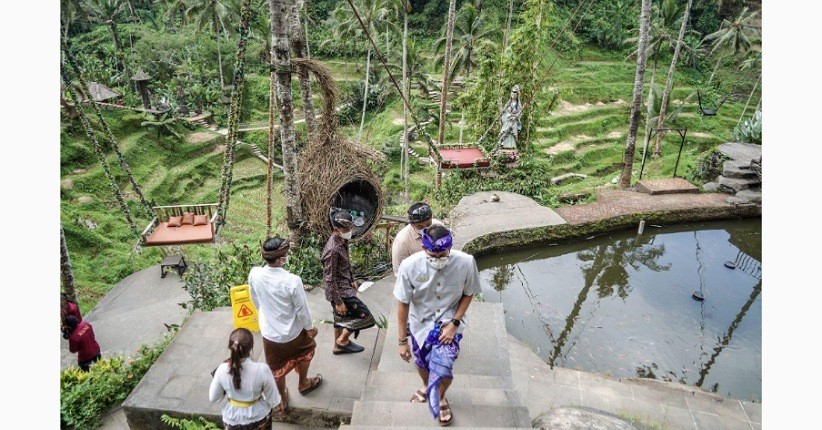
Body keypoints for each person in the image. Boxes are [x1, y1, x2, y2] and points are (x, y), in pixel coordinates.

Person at [394, 225, 482, 426]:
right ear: (424, 248)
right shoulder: (409, 266)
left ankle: (441, 397)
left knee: (444, 366)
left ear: (449, 247)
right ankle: (426, 386)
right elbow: (403, 303)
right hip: (420, 325)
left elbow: (469, 293)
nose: (438, 257)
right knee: (422, 362)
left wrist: (454, 323)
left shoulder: (466, 262)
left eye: (442, 253)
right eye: (432, 254)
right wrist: (402, 340)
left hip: (449, 324)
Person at [248, 237, 322, 415]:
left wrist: (265, 314)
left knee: (276, 368)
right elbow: (302, 309)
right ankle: (303, 383)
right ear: (281, 259)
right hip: (293, 332)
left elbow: (254, 298)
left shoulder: (254, 274)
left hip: (270, 335)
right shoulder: (292, 280)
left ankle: (281, 398)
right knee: (306, 352)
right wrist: (309, 328)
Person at [322, 210, 377, 355]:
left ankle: (337, 346)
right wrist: (338, 301)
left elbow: (346, 262)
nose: (350, 231)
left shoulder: (342, 240)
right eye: (346, 229)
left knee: (340, 318)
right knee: (366, 317)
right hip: (339, 290)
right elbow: (329, 279)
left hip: (345, 284)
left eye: (351, 228)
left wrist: (352, 278)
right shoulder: (332, 250)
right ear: (336, 230)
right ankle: (343, 340)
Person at [209, 328, 279, 430]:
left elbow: (214, 398)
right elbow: (274, 400)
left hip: (232, 419)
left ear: (230, 347)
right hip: (258, 417)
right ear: (251, 348)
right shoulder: (262, 370)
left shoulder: (221, 369)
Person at [391, 202, 445, 276]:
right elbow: (400, 273)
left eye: (428, 224)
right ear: (411, 224)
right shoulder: (402, 241)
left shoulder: (439, 226)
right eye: (420, 226)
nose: (426, 229)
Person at [497, 85, 522, 150]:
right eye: (512, 92)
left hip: (513, 121)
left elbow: (519, 113)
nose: (513, 94)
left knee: (511, 132)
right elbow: (504, 111)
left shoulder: (518, 104)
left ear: (517, 94)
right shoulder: (509, 103)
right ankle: (504, 145)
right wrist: (506, 114)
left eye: (515, 92)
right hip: (507, 120)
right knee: (505, 131)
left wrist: (515, 117)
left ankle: (511, 146)